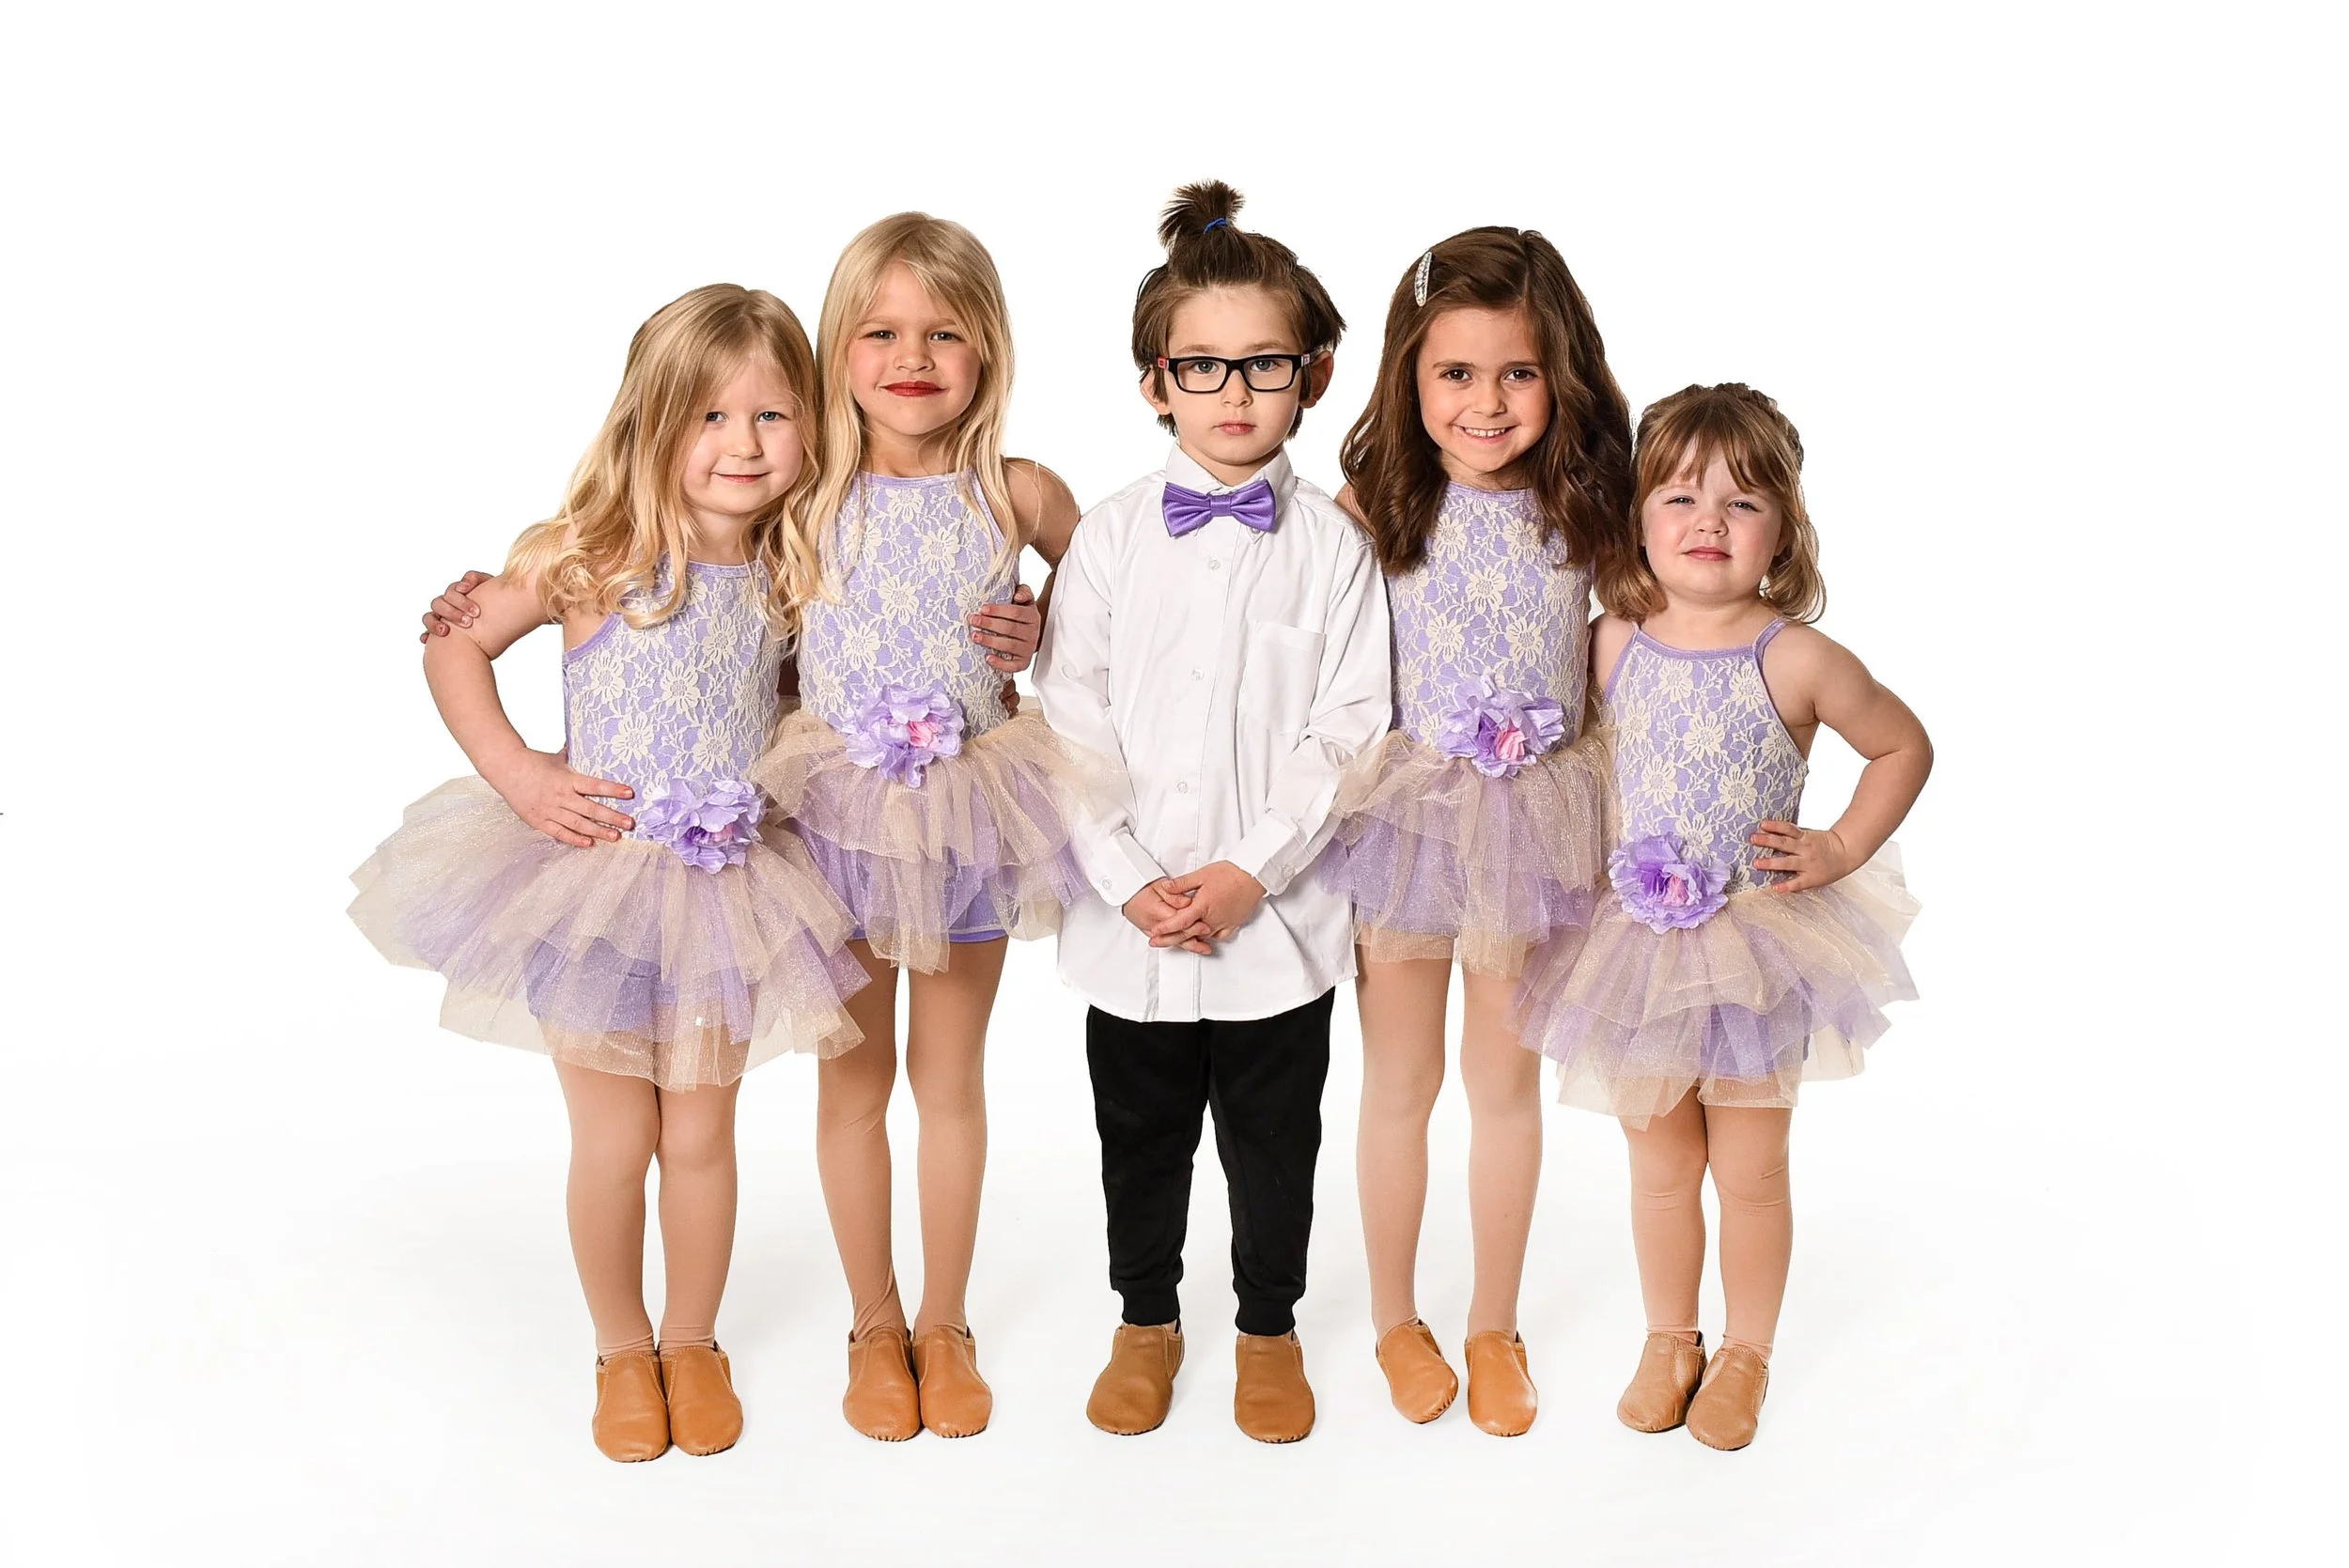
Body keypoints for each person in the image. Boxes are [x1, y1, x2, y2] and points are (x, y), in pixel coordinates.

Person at [350, 285, 868, 1461]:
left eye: (773, 417)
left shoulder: (795, 572)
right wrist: (519, 772)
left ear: (810, 429)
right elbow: (455, 641)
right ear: (652, 421)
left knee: (700, 1137)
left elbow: (783, 702)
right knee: (615, 1142)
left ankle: (694, 1339)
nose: (743, 445)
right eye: (710, 417)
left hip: (731, 896)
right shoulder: (592, 558)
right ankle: (620, 1344)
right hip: (591, 893)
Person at [1034, 181, 1391, 1443]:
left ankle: (1267, 1323)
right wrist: (1126, 872)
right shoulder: (1113, 539)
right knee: (1138, 1135)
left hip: (1276, 927)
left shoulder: (1337, 555)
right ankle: (1145, 1315)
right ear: (1154, 382)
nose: (1235, 392)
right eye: (1203, 366)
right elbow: (1068, 711)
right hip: (1126, 918)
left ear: (1317, 373)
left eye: (1265, 365)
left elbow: (1348, 732)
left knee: (1273, 1142)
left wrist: (1249, 869)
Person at [1517, 382, 1930, 1450]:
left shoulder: (1794, 657)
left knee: (1748, 1173)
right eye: (1681, 497)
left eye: (1742, 503)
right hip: (1637, 953)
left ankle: (1746, 1351)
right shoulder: (1613, 641)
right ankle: (1670, 1339)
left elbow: (1902, 746)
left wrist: (1838, 846)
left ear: (1783, 531)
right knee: (1658, 1165)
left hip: (1754, 952)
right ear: (1639, 516)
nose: (1709, 522)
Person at [1325, 228, 1632, 1434]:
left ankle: (1492, 1320)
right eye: (1454, 374)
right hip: (1405, 818)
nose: (1485, 402)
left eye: (1516, 372)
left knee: (1503, 1084)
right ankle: (1396, 1317)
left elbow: (1649, 642)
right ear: (1410, 376)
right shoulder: (1373, 507)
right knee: (1398, 1080)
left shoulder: (1588, 507)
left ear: (1560, 376)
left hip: (1539, 819)